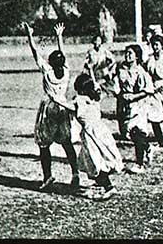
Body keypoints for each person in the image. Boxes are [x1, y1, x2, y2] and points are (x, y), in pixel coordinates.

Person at [21, 22, 81, 191]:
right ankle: (75, 173)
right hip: (63, 108)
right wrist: (59, 36)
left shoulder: (47, 71)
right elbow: (63, 53)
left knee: (44, 144)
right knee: (67, 143)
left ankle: (47, 176)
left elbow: (35, 51)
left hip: (49, 109)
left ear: (51, 63)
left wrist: (30, 35)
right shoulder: (66, 71)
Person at [52, 73, 124, 201]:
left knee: (94, 161)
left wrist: (55, 98)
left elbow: (69, 106)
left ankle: (108, 187)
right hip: (102, 131)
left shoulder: (79, 101)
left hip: (91, 134)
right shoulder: (95, 96)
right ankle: (102, 183)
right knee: (102, 158)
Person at [114, 45, 158, 173]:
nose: (127, 56)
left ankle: (140, 164)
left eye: (130, 54)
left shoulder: (141, 72)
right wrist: (120, 94)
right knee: (127, 133)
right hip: (125, 105)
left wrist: (134, 96)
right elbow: (116, 85)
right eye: (126, 53)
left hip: (138, 106)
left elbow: (148, 90)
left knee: (136, 132)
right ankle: (148, 147)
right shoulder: (121, 69)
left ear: (137, 56)